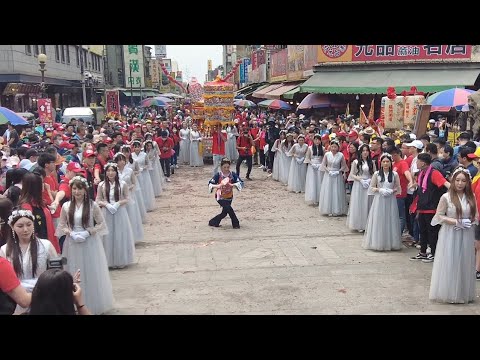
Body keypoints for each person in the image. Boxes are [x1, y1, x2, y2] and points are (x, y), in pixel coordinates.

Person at [56, 176, 114, 314]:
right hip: (72, 242)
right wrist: (70, 233)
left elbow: (101, 223)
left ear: (85, 190)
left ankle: (93, 302)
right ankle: (74, 302)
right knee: (74, 270)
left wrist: (89, 232)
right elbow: (62, 225)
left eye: (80, 188)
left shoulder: (92, 205)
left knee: (91, 270)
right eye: (74, 189)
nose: (77, 192)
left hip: (90, 241)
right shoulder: (66, 206)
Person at [429, 166, 477, 303]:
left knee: (464, 262)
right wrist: (456, 222)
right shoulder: (446, 197)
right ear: (453, 180)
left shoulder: (471, 197)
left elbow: (476, 215)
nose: (460, 183)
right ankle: (448, 292)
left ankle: (462, 292)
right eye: (457, 180)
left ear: (467, 182)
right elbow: (438, 216)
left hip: (466, 234)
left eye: (463, 181)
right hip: (450, 234)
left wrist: (471, 222)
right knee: (450, 261)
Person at [410, 153, 450, 262]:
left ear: (423, 163)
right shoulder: (421, 173)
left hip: (432, 207)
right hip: (422, 207)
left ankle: (434, 253)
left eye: (417, 161)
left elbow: (445, 183)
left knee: (432, 232)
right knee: (422, 231)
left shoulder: (434, 173)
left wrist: (456, 192)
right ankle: (423, 252)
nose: (416, 163)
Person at [96, 163, 135, 269]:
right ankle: (108, 260)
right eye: (108, 171)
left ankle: (120, 258)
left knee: (119, 234)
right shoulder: (101, 185)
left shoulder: (122, 184)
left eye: (112, 170)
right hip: (106, 212)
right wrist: (106, 204)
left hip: (120, 211)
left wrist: (118, 203)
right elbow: (98, 200)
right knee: (107, 235)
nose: (110, 173)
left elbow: (127, 198)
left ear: (116, 172)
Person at [362, 153, 402, 251]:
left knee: (390, 219)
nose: (385, 163)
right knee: (379, 219)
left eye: (387, 161)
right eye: (383, 162)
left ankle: (390, 242)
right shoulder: (376, 174)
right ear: (381, 163)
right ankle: (377, 242)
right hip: (379, 199)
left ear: (390, 163)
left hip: (390, 199)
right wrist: (380, 190)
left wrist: (392, 191)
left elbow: (398, 187)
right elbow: (371, 187)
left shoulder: (394, 174)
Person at [114, 152, 144, 243]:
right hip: (118, 195)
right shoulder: (113, 171)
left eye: (123, 160)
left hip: (129, 194)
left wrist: (128, 188)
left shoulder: (129, 171)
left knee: (130, 214)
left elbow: (134, 183)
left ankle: (132, 236)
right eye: (119, 160)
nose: (121, 162)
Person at [347, 144, 376, 232]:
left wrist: (370, 180)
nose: (365, 152)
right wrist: (360, 180)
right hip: (359, 184)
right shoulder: (356, 162)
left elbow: (375, 173)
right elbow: (352, 174)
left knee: (368, 203)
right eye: (363, 151)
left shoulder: (372, 162)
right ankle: (359, 224)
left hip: (368, 184)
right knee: (359, 203)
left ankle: (367, 224)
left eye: (367, 150)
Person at [208, 158, 243, 229]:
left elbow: (241, 183)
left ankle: (213, 222)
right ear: (221, 167)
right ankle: (236, 224)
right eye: (224, 167)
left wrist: (233, 185)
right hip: (220, 196)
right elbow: (210, 184)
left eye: (228, 167)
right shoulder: (218, 175)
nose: (226, 169)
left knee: (224, 213)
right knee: (229, 209)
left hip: (229, 196)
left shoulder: (232, 174)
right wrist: (218, 185)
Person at [318, 141, 348, 216]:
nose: (333, 148)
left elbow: (344, 166)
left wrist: (339, 171)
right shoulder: (327, 154)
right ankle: (327, 209)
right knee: (328, 190)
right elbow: (324, 164)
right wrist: (328, 171)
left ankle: (336, 209)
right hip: (328, 174)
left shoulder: (341, 155)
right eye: (332, 146)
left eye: (335, 147)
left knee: (336, 190)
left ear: (338, 147)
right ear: (330, 147)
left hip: (337, 175)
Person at [132, 141, 155, 212]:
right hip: (135, 174)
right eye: (135, 147)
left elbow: (148, 164)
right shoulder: (132, 155)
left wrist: (143, 168)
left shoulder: (144, 154)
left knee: (145, 188)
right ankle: (139, 207)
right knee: (138, 190)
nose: (137, 148)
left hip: (144, 173)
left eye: (138, 147)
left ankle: (146, 205)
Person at [304, 134, 324, 205]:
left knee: (319, 181)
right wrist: (311, 164)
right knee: (312, 181)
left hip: (319, 166)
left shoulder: (323, 148)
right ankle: (312, 198)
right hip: (312, 166)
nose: (317, 141)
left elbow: (324, 159)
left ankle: (319, 198)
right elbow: (307, 158)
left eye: (318, 140)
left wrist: (321, 165)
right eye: (315, 139)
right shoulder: (310, 148)